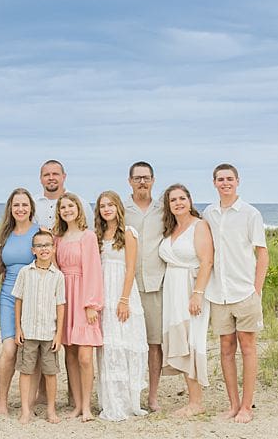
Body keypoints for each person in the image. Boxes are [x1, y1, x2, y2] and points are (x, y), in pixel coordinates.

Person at [202, 163, 268, 423]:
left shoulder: (250, 214)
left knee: (248, 347)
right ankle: (233, 404)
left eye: (229, 178)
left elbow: (262, 253)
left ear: (237, 181)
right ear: (214, 182)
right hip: (219, 293)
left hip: (244, 292)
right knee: (226, 348)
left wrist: (256, 290)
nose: (225, 183)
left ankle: (246, 407)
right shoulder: (209, 213)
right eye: (220, 179)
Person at [159, 182, 214, 417]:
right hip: (172, 290)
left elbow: (207, 261)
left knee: (193, 341)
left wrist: (197, 294)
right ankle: (192, 398)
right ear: (168, 206)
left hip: (191, 289)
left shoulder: (199, 226)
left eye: (182, 198)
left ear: (190, 201)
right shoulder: (171, 230)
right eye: (173, 200)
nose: (178, 203)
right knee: (181, 340)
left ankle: (196, 402)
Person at [94, 191, 147, 421]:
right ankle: (110, 401)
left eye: (111, 205)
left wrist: (124, 300)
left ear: (118, 208)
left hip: (122, 293)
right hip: (102, 293)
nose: (107, 209)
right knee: (107, 347)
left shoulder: (128, 233)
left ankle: (127, 401)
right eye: (103, 206)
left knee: (124, 345)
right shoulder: (96, 235)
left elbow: (130, 269)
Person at [53, 191, 103, 421]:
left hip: (83, 296)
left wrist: (91, 304)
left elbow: (94, 270)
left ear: (78, 209)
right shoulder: (58, 238)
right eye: (62, 207)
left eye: (70, 206)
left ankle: (87, 406)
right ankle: (76, 405)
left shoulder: (88, 236)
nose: (67, 210)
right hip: (65, 295)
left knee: (85, 356)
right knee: (70, 354)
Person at [123, 161, 167, 410]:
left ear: (153, 180)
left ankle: (152, 395)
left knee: (153, 343)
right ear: (129, 181)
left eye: (146, 177)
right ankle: (127, 394)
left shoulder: (163, 208)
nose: (142, 181)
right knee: (126, 342)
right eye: (137, 177)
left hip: (155, 283)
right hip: (126, 285)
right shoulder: (122, 208)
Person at [13, 230, 66, 425]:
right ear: (33, 250)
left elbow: (61, 306)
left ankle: (51, 409)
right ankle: (26, 409)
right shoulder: (25, 273)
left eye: (47, 245)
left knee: (50, 372)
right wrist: (18, 328)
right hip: (28, 332)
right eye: (39, 246)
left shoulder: (58, 276)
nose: (44, 249)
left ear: (53, 248)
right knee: (26, 371)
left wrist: (59, 335)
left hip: (49, 333)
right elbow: (18, 300)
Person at [0, 188, 37, 415]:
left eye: (24, 205)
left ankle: (27, 403)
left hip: (34, 299)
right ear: (10, 209)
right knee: (9, 350)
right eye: (16, 205)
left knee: (32, 351)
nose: (20, 209)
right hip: (9, 297)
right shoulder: (5, 234)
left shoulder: (41, 232)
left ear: (31, 208)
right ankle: (2, 400)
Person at [35, 159, 93, 231]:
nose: (51, 178)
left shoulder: (81, 203)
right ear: (40, 178)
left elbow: (91, 231)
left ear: (64, 176)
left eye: (55, 174)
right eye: (46, 175)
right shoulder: (32, 204)